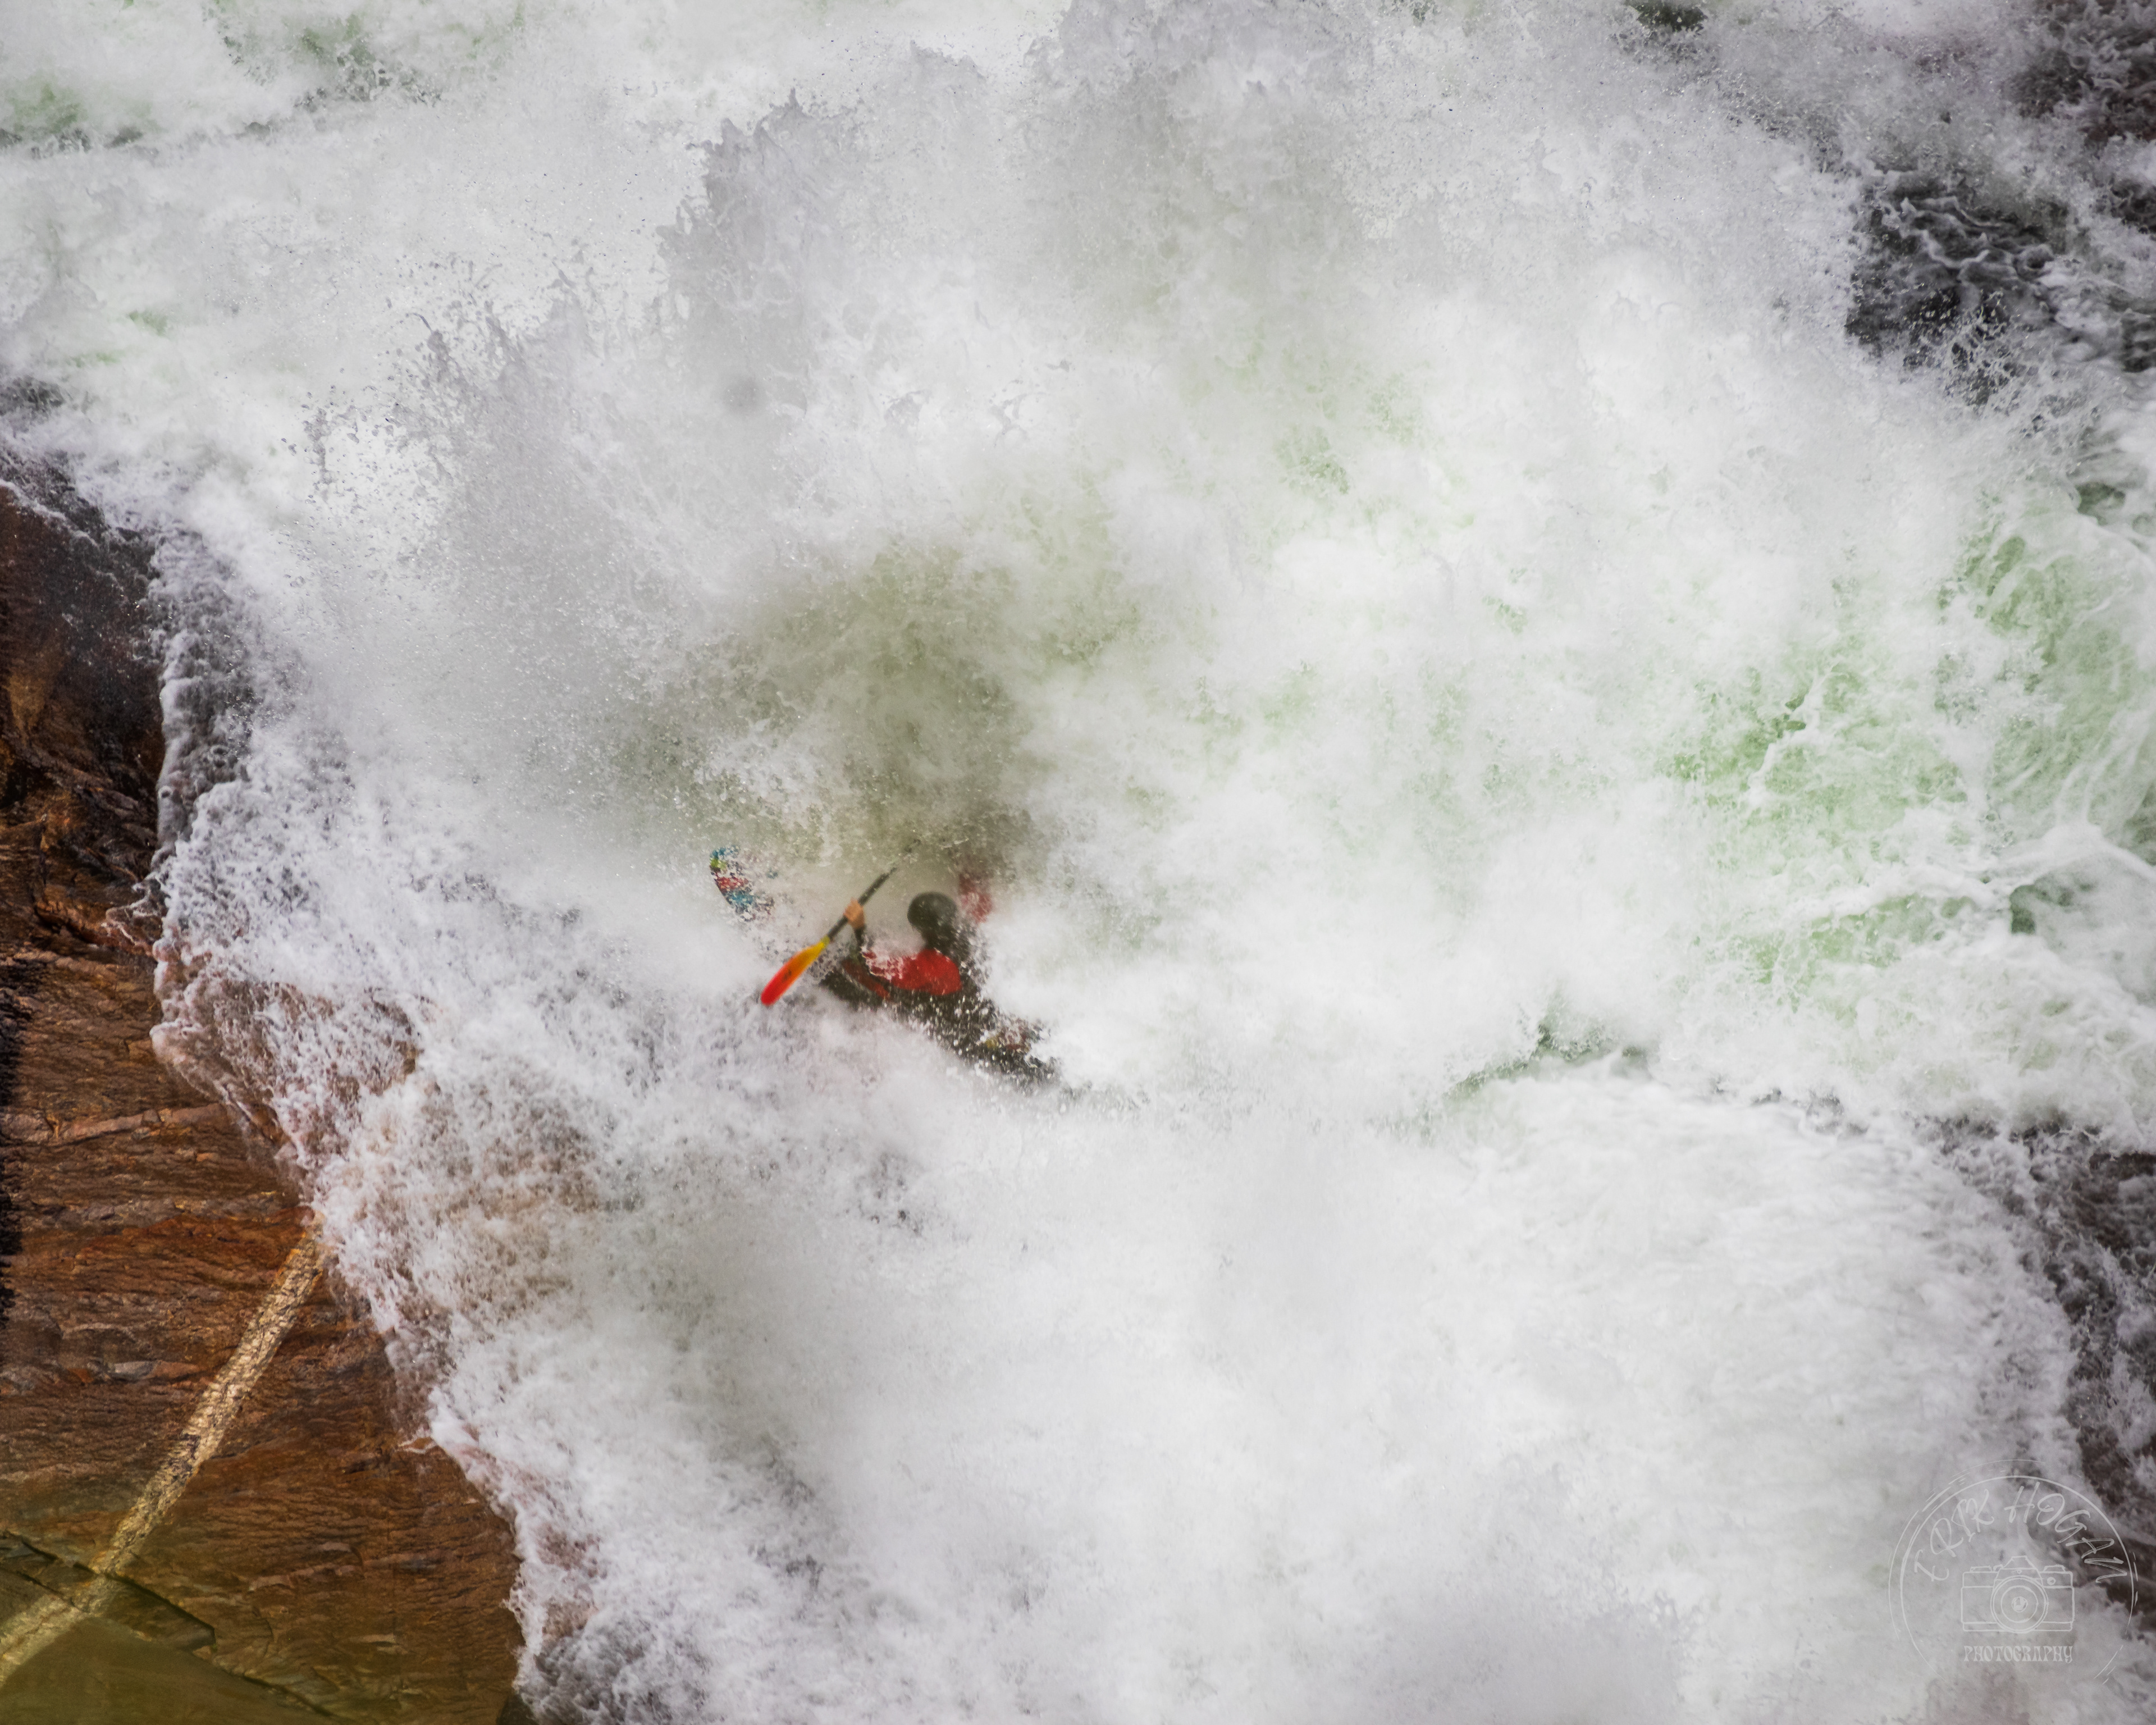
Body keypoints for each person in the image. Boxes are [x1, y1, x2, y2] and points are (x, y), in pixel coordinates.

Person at [820, 886, 1052, 1081]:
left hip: (959, 1030)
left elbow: (880, 970)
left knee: (885, 993)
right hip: (977, 1010)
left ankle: (824, 975)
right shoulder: (968, 932)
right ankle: (1049, 1058)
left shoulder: (936, 965)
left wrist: (860, 928)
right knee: (1022, 1045)